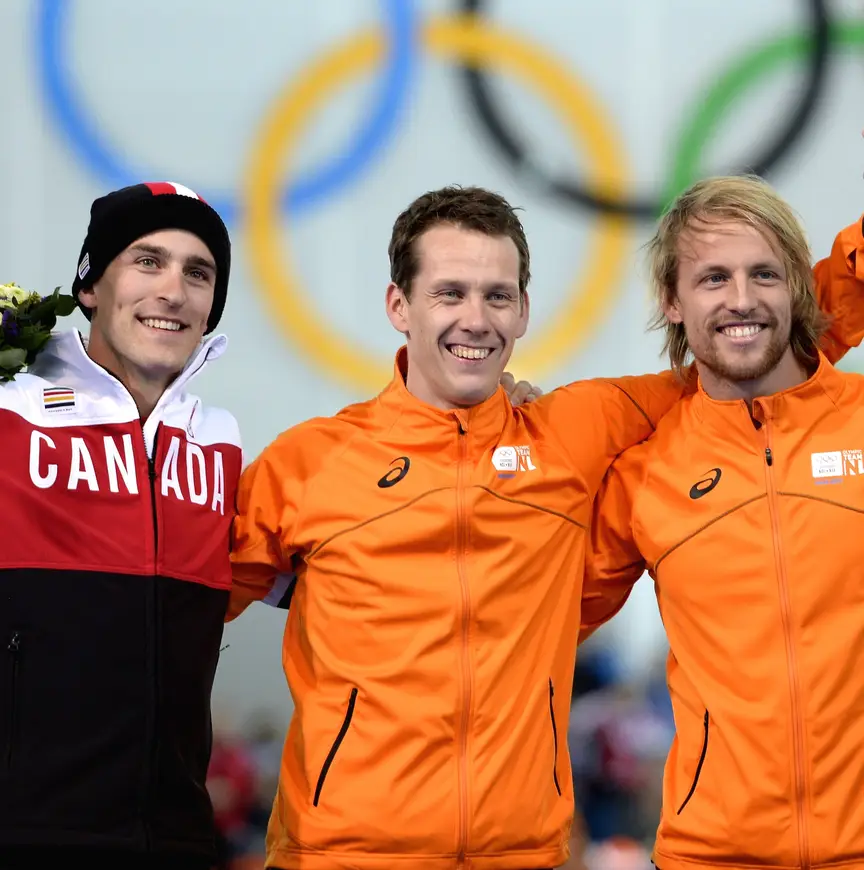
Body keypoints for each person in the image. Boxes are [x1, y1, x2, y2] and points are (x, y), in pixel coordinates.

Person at [228, 183, 864, 870]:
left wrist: (836, 281)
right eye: (450, 293)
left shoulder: (575, 430)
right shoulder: (309, 461)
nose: (476, 319)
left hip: (520, 854)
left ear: (524, 310)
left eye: (497, 296)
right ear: (398, 306)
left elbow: (746, 355)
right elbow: (182, 605)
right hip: (337, 854)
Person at [582, 175, 864, 870]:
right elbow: (524, 632)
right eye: (713, 278)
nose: (741, 299)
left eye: (764, 273)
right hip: (714, 853)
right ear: (672, 302)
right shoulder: (646, 473)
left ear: (796, 288)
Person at [0, 182, 243, 870]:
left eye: (198, 273)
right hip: (24, 835)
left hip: (176, 839)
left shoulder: (221, 442)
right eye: (147, 261)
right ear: (89, 287)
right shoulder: (10, 411)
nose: (174, 290)